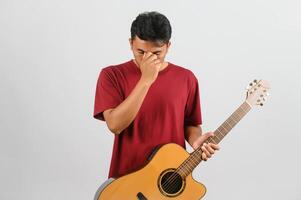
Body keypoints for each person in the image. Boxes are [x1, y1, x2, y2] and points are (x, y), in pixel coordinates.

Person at [93, 11, 220, 179]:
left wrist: (196, 141)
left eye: (156, 53)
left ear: (168, 46)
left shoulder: (186, 78)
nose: (148, 59)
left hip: (171, 179)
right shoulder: (111, 75)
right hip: (126, 179)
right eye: (141, 52)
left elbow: (190, 124)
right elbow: (115, 125)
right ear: (131, 43)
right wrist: (146, 80)